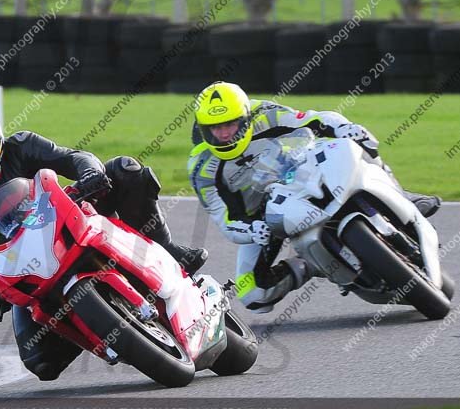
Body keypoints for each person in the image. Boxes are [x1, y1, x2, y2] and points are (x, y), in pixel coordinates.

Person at [0, 96, 207, 380]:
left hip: (71, 222)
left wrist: (90, 174)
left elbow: (74, 157)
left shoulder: (22, 146)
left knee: (125, 170)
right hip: (28, 270)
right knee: (41, 362)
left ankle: (169, 251)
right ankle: (97, 326)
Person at [187, 81, 441, 313]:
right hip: (262, 218)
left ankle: (401, 195)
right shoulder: (202, 168)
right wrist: (252, 230)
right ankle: (313, 264)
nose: (223, 134)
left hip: (296, 173)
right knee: (252, 294)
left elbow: (314, 119)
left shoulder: (264, 114)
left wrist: (346, 129)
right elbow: (225, 221)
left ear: (245, 117)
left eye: (230, 124)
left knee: (358, 146)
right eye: (215, 128)